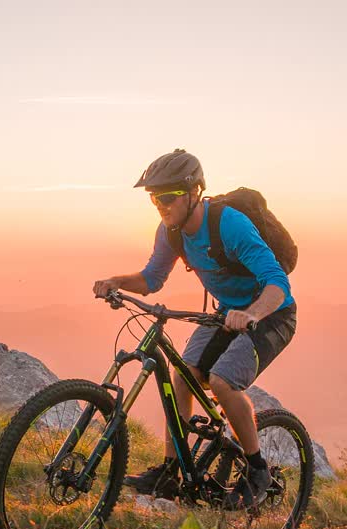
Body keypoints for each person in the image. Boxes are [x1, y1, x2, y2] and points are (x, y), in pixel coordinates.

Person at [91, 149, 297, 510]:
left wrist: (251, 314)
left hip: (272, 314)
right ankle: (172, 471)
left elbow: (277, 282)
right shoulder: (171, 233)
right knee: (182, 375)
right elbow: (151, 279)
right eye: (155, 198)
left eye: (168, 196)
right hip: (227, 312)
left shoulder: (228, 225)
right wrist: (115, 281)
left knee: (221, 381)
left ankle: (257, 469)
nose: (161, 204)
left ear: (192, 192)